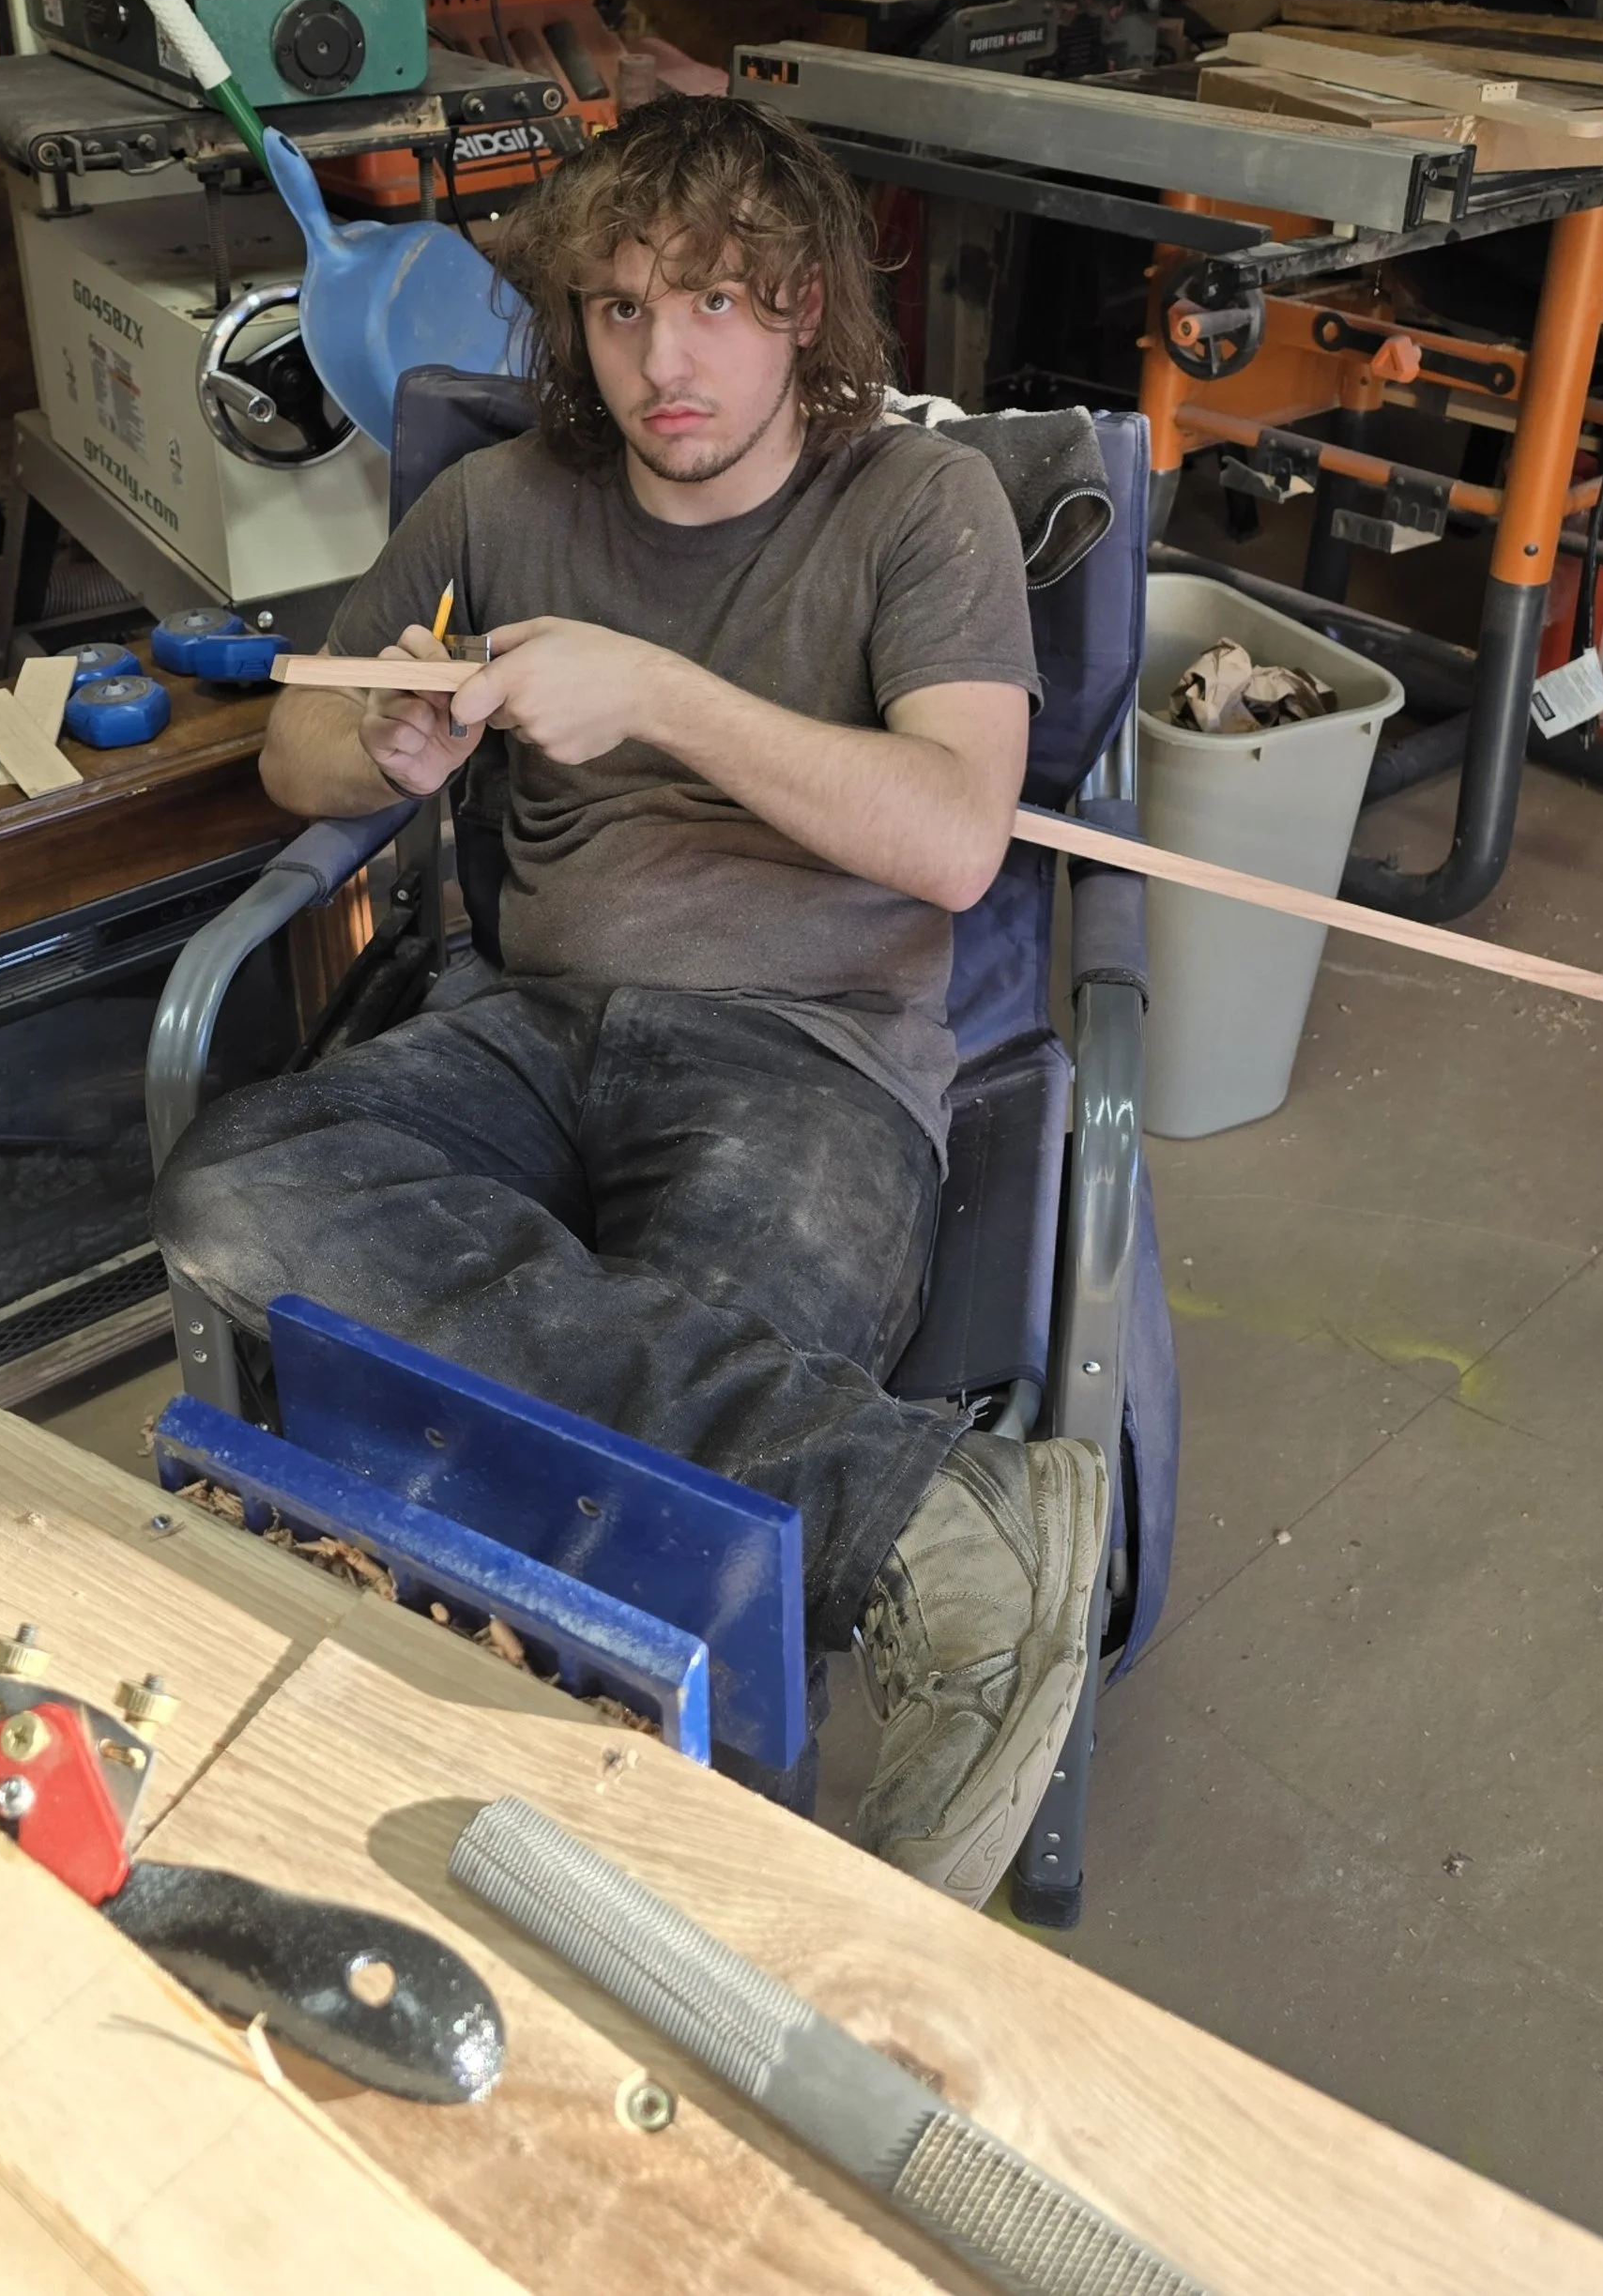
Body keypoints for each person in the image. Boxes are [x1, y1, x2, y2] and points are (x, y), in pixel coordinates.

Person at [155, 93, 1107, 1905]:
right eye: (619, 308)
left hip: (810, 1063)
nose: (668, 360)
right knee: (238, 1189)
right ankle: (933, 1519)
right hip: (520, 1030)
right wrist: (389, 735)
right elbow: (292, 748)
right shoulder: (493, 501)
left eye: (722, 303)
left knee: (663, 1422)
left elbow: (957, 836)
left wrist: (656, 692)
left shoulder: (922, 501)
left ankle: (632, 1861)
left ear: (806, 308)